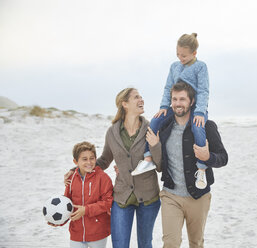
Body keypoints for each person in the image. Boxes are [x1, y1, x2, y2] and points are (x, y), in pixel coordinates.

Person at [65, 88, 162, 248]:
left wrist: (156, 145)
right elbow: (103, 161)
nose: (141, 100)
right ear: (125, 104)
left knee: (145, 244)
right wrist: (75, 170)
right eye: (136, 97)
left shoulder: (151, 129)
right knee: (119, 245)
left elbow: (160, 166)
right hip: (122, 196)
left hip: (149, 196)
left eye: (142, 97)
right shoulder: (112, 132)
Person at [152, 81, 228, 248]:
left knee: (196, 243)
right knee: (170, 243)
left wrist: (208, 157)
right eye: (174, 99)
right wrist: (154, 146)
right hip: (171, 195)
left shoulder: (206, 126)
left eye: (182, 99)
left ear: (191, 102)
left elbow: (223, 158)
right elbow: (158, 164)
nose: (177, 104)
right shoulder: (164, 126)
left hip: (198, 196)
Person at [138, 33, 210, 190]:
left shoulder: (200, 67)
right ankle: (148, 158)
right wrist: (164, 107)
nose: (180, 58)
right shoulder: (174, 66)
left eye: (184, 55)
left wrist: (199, 112)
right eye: (178, 54)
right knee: (156, 121)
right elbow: (168, 88)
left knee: (198, 127)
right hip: (176, 106)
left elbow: (204, 91)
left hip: (196, 108)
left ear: (194, 53)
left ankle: (202, 168)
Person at [51, 141, 114, 248]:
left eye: (92, 158)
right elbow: (67, 205)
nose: (89, 162)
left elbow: (108, 202)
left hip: (98, 232)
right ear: (75, 161)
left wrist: (86, 210)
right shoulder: (71, 179)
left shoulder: (103, 178)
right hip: (77, 232)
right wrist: (58, 221)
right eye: (84, 159)